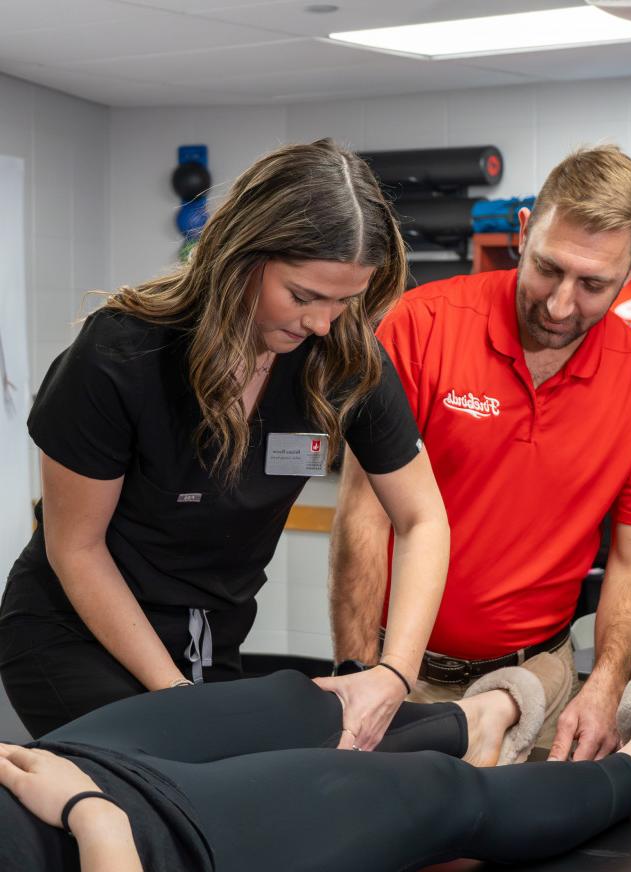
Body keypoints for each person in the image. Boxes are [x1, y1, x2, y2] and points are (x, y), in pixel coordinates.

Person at [0, 140, 450, 750]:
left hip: (211, 635)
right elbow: (75, 547)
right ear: (241, 253)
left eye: (345, 301)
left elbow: (423, 517)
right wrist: (176, 697)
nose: (321, 323)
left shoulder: (343, 357)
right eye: (303, 295)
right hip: (76, 631)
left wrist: (394, 674)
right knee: (167, 791)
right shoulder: (123, 352)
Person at [329, 145, 631, 763]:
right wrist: (359, 672)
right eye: (549, 269)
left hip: (536, 683)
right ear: (523, 231)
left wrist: (604, 687)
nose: (559, 305)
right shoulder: (422, 325)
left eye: (593, 285)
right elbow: (364, 514)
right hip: (401, 673)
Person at [0, 597, 631, 872]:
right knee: (435, 797)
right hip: (149, 844)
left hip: (65, 761)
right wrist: (88, 813)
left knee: (304, 703)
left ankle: (471, 721)